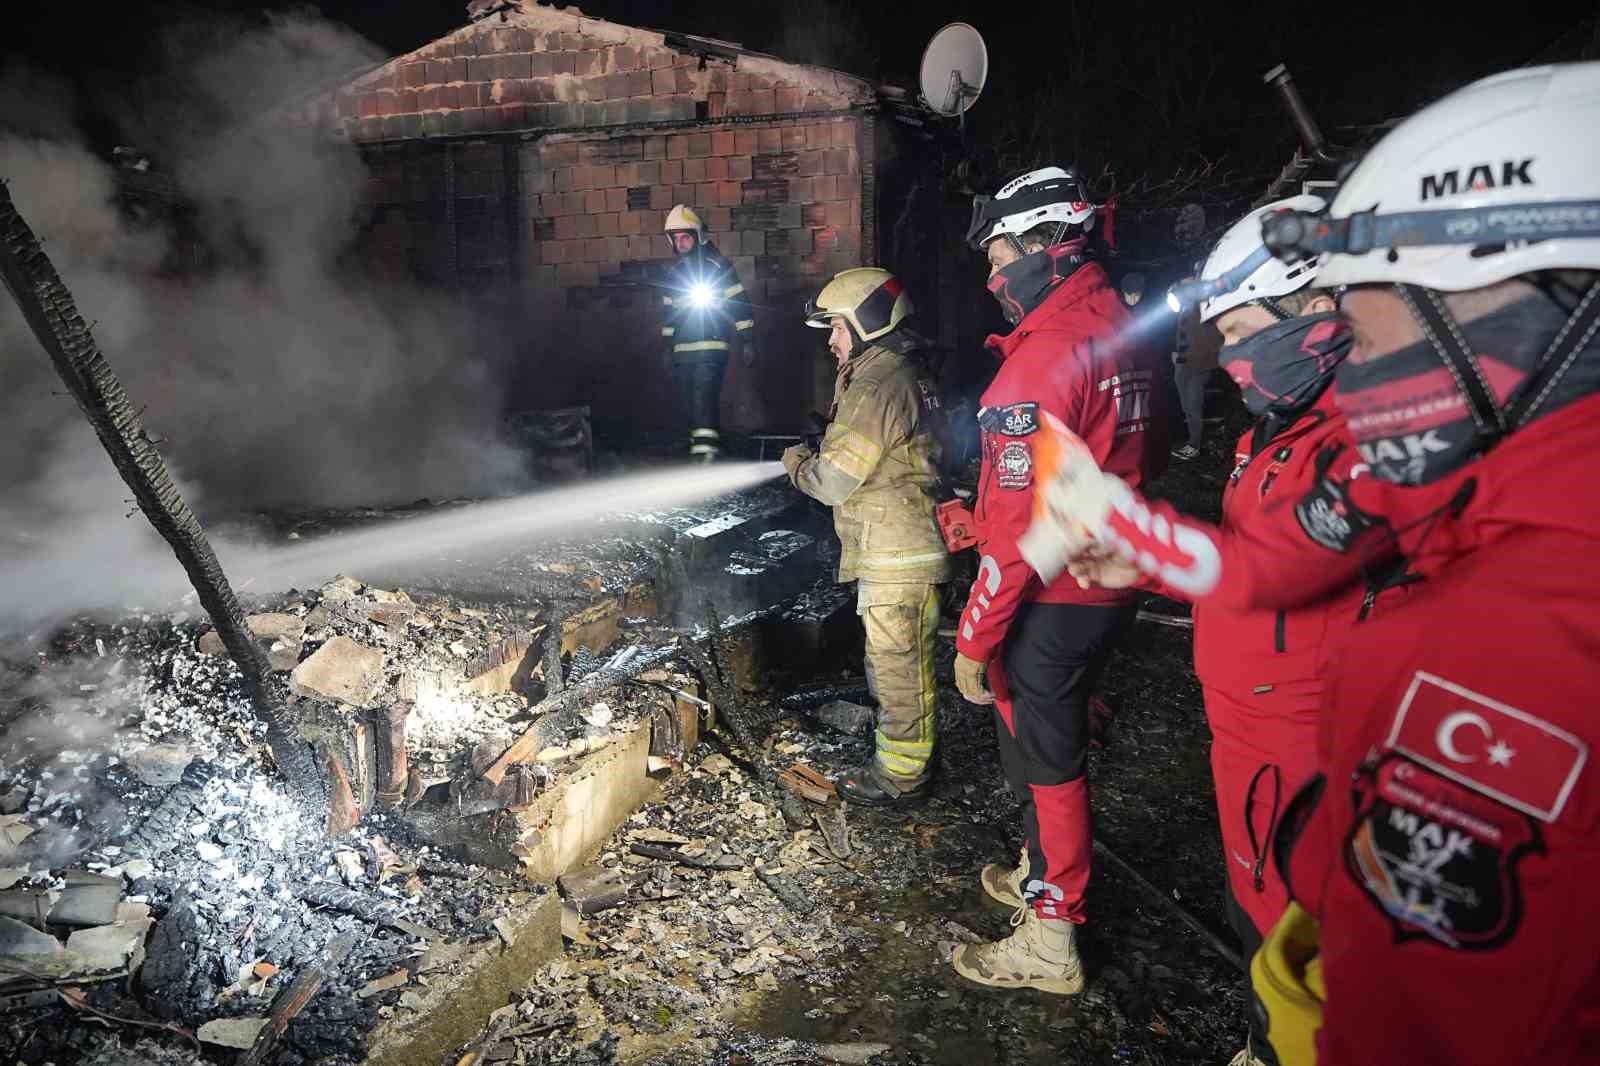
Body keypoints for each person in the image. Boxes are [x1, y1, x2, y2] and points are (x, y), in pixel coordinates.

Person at [1035, 62, 1600, 1066]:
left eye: (1375, 314)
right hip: (1265, 750)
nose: (1359, 360)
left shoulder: (1510, 653)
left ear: (1517, 309)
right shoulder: (1482, 509)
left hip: (1286, 743)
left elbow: (1427, 1022)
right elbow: (1278, 555)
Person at [1050, 194, 1411, 1066]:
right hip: (1250, 724)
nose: (1233, 361)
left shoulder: (1375, 435)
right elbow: (1255, 556)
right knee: (1257, 913)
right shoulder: (1282, 429)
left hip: (1315, 742)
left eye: (1245, 330)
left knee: (1311, 935)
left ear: (1319, 311)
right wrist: (1155, 564)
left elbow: (1278, 566)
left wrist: (1129, 525)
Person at [948, 166, 1163, 994]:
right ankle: (1040, 864)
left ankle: (1051, 934)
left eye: (999, 252)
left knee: (1047, 754)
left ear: (1045, 244)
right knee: (1052, 734)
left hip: (1056, 590)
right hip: (1110, 576)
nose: (993, 276)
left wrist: (975, 639)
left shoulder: (1038, 363)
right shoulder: (1124, 328)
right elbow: (1148, 451)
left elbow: (1012, 537)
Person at [782, 269, 951, 806]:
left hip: (896, 554)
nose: (830, 340)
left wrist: (797, 462)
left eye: (835, 327)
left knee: (899, 670)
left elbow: (832, 480)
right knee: (896, 664)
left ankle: (902, 779)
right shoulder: (899, 372)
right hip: (903, 544)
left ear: (868, 322)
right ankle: (905, 762)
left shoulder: (878, 383)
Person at [660, 205, 755, 461]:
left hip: (711, 348)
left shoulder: (717, 266)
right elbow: (669, 314)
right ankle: (698, 447)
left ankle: (705, 455)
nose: (680, 243)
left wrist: (747, 340)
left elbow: (738, 301)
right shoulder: (674, 274)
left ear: (698, 236)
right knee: (688, 401)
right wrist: (667, 348)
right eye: (676, 238)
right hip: (682, 352)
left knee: (703, 397)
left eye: (685, 237)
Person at [1170, 297, 1221, 460]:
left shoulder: (1204, 310)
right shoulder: (1183, 309)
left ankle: (1194, 445)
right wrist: (1176, 354)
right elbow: (1183, 335)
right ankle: (1191, 440)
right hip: (1183, 364)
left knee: (1193, 406)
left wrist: (1188, 360)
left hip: (1198, 366)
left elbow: (1212, 341)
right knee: (1187, 406)